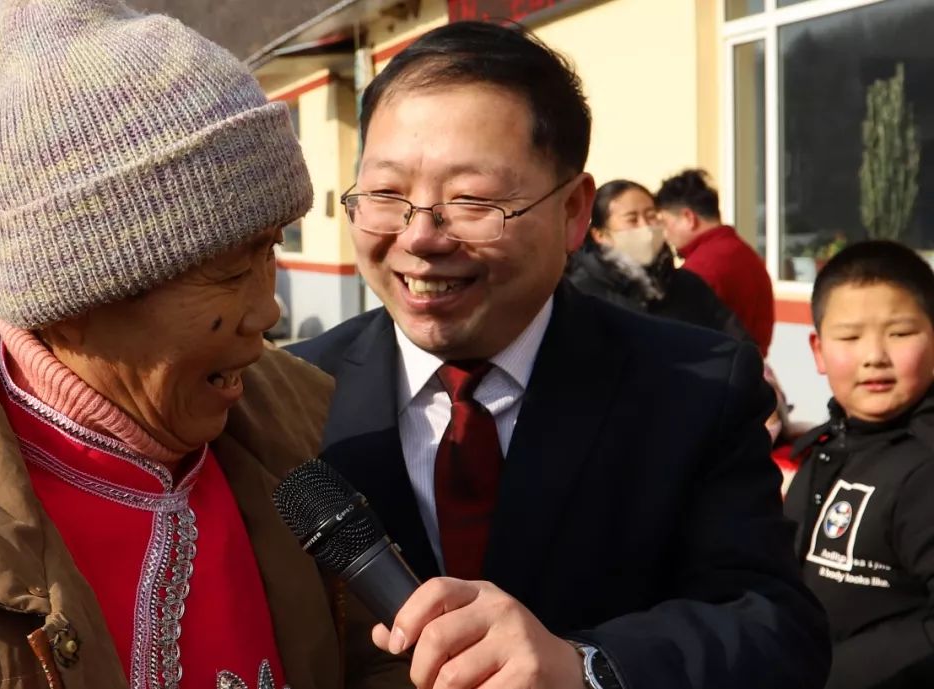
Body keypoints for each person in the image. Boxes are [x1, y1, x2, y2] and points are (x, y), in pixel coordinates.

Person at [0, 1, 407, 688]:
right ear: (69, 306)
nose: (267, 311)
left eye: (271, 249)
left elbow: (377, 658)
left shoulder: (306, 419)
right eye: (230, 269)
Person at [288, 20, 829, 689]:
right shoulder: (285, 394)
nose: (420, 236)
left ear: (574, 211)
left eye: (471, 200)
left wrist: (586, 666)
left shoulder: (693, 386)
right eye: (387, 194)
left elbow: (776, 631)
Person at [784, 240, 934, 689]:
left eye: (900, 333)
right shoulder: (826, 448)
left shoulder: (924, 466)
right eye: (850, 337)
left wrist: (831, 673)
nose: (875, 356)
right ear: (817, 349)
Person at [565, 178, 748, 340]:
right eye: (632, 219)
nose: (645, 226)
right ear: (600, 234)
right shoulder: (579, 292)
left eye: (651, 216)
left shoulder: (687, 285)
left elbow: (735, 340)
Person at [655, 169, 776, 357]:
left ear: (688, 218)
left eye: (664, 223)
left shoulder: (701, 268)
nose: (664, 233)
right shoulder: (743, 252)